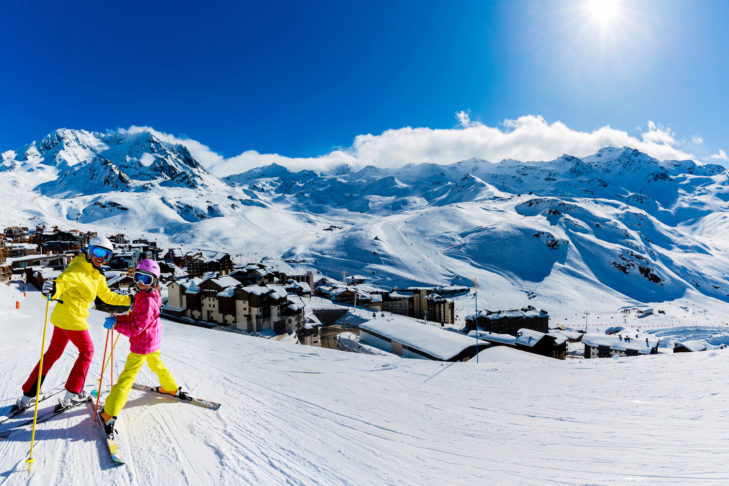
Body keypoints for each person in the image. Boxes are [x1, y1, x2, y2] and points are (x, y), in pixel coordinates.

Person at [17, 236, 132, 410]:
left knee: (52, 355)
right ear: (89, 250)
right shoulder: (77, 269)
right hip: (73, 320)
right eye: (97, 252)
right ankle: (72, 394)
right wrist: (52, 289)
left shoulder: (97, 275)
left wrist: (129, 299)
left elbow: (107, 296)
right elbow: (62, 283)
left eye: (106, 255)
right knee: (87, 352)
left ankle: (27, 396)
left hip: (61, 319)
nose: (101, 258)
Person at [99, 259, 186, 435]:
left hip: (142, 345)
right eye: (138, 277)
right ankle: (170, 388)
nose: (140, 283)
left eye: (145, 280)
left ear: (154, 281)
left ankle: (109, 413)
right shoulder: (148, 295)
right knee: (157, 365)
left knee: (127, 378)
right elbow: (135, 318)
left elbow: (135, 328)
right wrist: (119, 318)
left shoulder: (146, 301)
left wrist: (116, 324)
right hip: (153, 340)